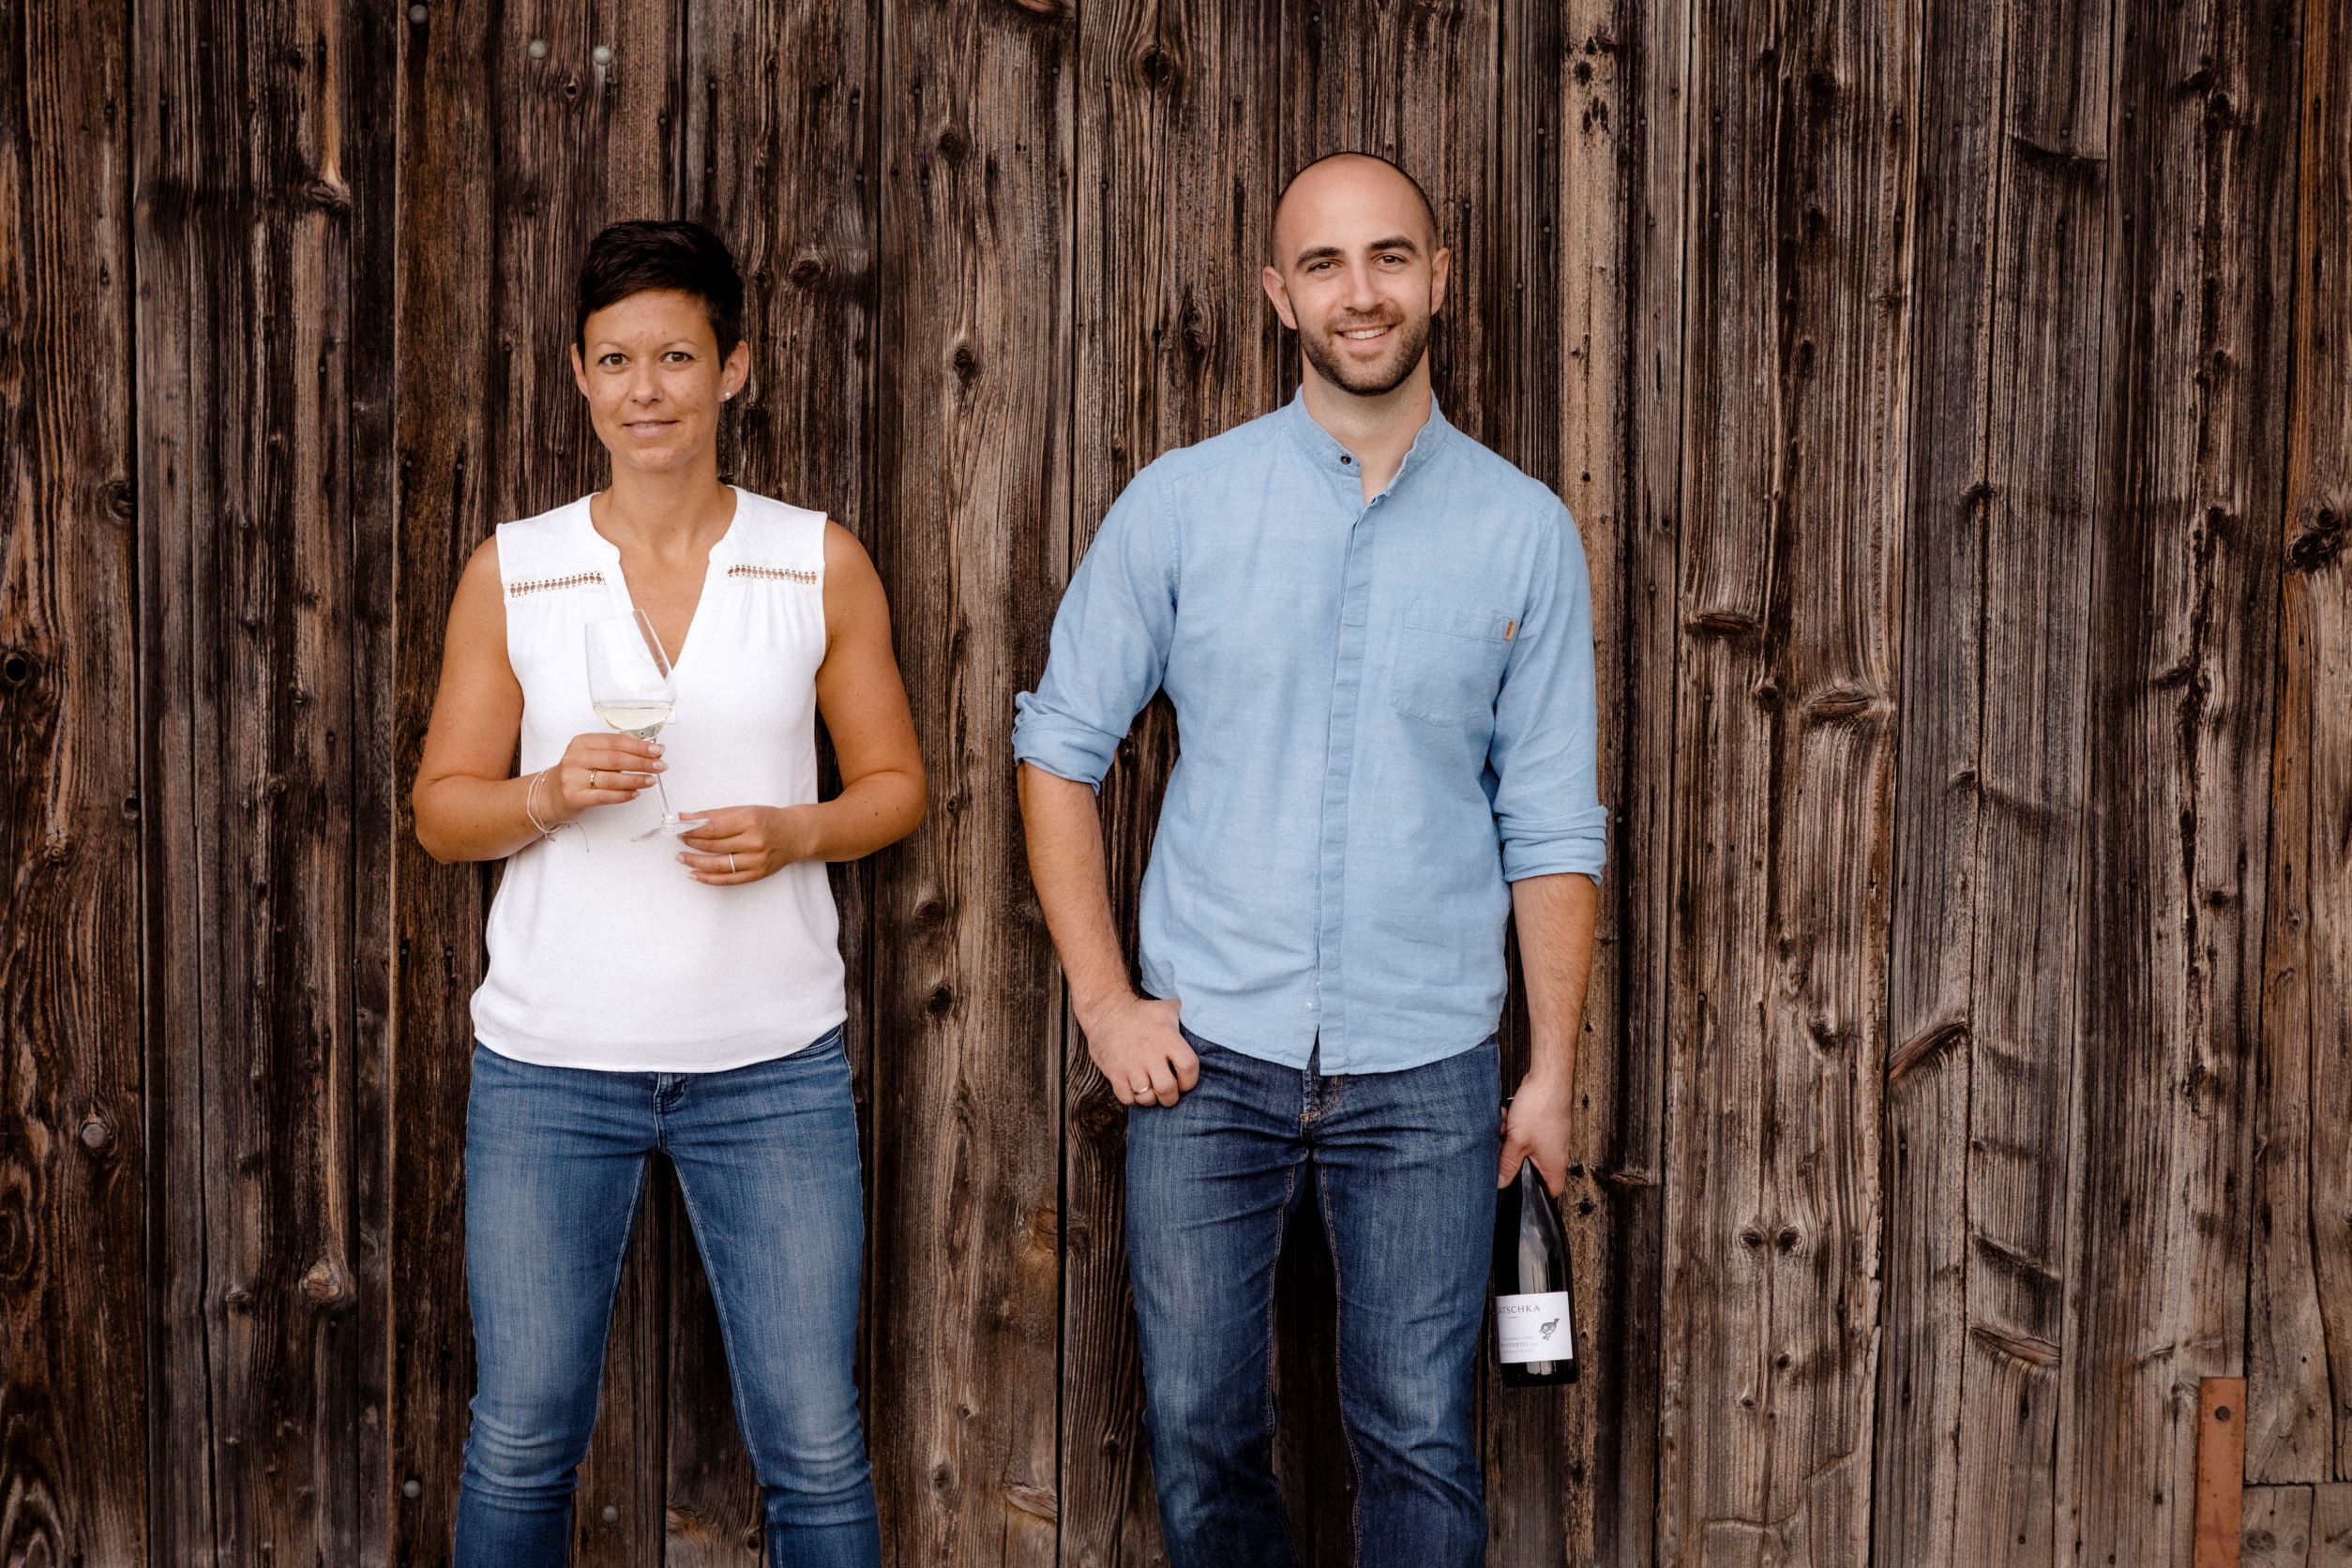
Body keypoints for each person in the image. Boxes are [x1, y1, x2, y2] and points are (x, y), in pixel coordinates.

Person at [1013, 152, 1606, 1566]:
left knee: (1419, 1442)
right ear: (1279, 295)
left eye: (1390, 256)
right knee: (1202, 1435)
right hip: (1207, 1056)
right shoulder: (1182, 504)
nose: (1362, 292)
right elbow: (1060, 750)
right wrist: (1104, 1003)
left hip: (1428, 1066)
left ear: (1438, 277)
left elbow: (1551, 823)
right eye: (1326, 263)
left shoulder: (1524, 531)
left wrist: (1551, 1073)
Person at [411, 219, 923, 1568]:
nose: (647, 390)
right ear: (579, 375)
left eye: (678, 358)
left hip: (772, 1068)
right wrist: (547, 794)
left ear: (734, 368)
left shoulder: (815, 560)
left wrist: (796, 831)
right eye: (617, 360)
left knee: (815, 1444)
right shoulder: (517, 570)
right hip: (550, 1068)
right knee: (521, 1436)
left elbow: (895, 787)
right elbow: (441, 813)